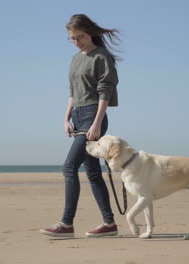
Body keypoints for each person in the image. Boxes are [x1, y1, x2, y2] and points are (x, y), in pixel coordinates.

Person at [40, 14, 121, 238]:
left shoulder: (102, 56)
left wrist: (95, 124)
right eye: (72, 38)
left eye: (80, 37)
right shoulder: (75, 59)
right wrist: (66, 119)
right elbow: (73, 93)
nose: (76, 41)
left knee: (69, 167)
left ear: (90, 33)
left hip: (93, 115)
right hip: (77, 116)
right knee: (93, 173)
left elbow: (105, 92)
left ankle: (66, 224)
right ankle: (109, 224)